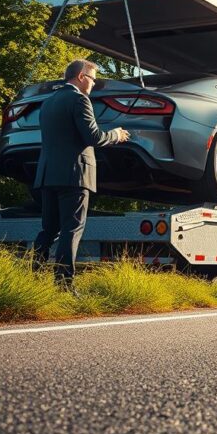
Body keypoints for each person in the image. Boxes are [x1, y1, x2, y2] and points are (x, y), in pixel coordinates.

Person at [32, 59, 130, 288]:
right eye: (93, 78)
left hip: (47, 175)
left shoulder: (48, 102)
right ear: (81, 77)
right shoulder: (79, 99)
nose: (94, 83)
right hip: (74, 175)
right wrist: (116, 135)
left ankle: (32, 276)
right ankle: (64, 283)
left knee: (49, 229)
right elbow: (93, 137)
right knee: (71, 229)